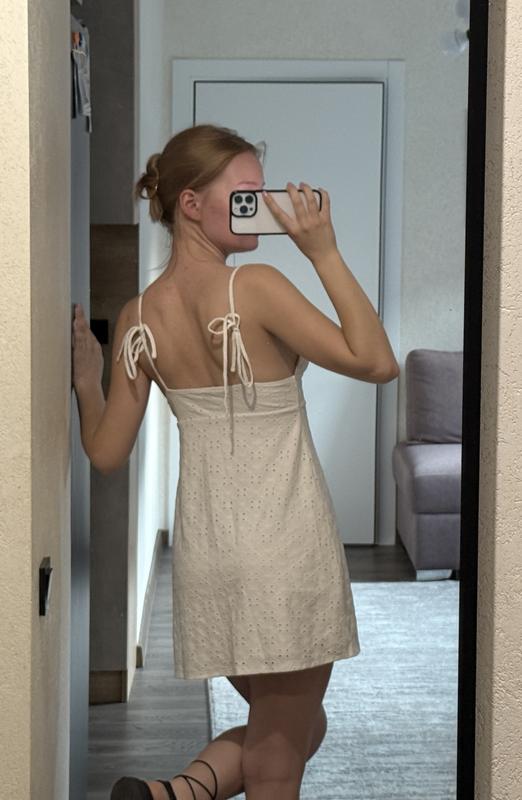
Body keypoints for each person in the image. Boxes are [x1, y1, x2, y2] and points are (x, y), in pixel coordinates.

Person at [72, 123, 399, 800]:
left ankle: (178, 793)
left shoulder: (138, 316)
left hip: (210, 554)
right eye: (246, 194)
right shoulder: (254, 286)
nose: (264, 207)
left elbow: (104, 454)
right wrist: (324, 252)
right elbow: (376, 361)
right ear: (191, 205)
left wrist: (85, 382)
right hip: (285, 547)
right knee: (279, 759)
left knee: (291, 728)